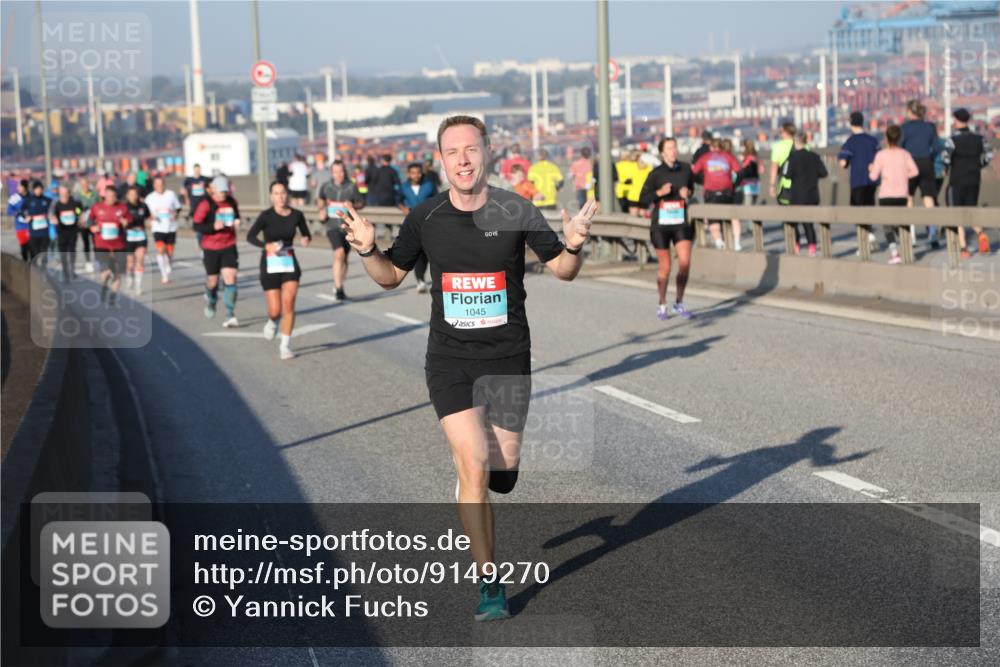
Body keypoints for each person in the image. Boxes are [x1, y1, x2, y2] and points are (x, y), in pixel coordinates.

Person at [338, 115, 595, 621]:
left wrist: (573, 243)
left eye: (471, 149)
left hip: (508, 359)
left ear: (487, 152)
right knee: (473, 464)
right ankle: (490, 584)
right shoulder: (426, 216)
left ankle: (478, 479)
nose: (462, 159)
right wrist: (367, 249)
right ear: (441, 160)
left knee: (502, 472)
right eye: (452, 151)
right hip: (450, 360)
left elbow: (563, 271)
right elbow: (390, 276)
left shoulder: (516, 209)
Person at [246, 181, 312, 360]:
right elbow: (250, 236)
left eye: (282, 193)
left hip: (289, 261)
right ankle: (272, 321)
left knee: (289, 304)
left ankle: (285, 346)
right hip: (270, 262)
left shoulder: (296, 215)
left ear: (287, 194)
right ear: (271, 196)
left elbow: (306, 234)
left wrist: (305, 239)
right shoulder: (266, 216)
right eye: (276, 193)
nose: (280, 197)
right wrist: (266, 245)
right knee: (275, 310)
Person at [639, 137, 696, 321]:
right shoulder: (656, 174)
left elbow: (692, 189)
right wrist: (660, 193)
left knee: (685, 263)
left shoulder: (686, 169)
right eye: (669, 148)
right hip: (661, 226)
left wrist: (687, 193)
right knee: (666, 267)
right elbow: (643, 198)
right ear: (662, 152)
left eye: (674, 147)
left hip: (680, 222)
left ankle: (679, 302)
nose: (673, 151)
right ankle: (662, 304)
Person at [942, 108, 994, 258]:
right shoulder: (979, 138)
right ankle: (981, 234)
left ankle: (963, 248)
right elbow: (989, 155)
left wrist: (946, 169)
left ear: (957, 120)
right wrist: (979, 165)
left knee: (957, 213)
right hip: (974, 179)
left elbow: (946, 158)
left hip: (957, 180)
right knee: (971, 210)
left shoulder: (952, 140)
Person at [192, 176, 241, 326]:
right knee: (213, 281)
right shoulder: (206, 204)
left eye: (225, 192)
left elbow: (236, 216)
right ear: (213, 190)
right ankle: (212, 300)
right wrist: (212, 227)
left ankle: (230, 314)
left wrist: (237, 221)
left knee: (230, 278)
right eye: (221, 192)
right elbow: (196, 225)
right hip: (211, 247)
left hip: (229, 245)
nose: (223, 194)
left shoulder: (232, 202)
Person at [869, 124, 919, 265]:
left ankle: (894, 253)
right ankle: (907, 249)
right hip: (902, 195)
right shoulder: (905, 154)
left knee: (888, 225)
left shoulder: (881, 155)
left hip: (886, 195)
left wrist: (871, 168)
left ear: (886, 138)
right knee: (901, 223)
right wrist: (904, 175)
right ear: (899, 138)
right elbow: (915, 171)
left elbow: (873, 177)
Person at [316, 160, 365, 301]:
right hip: (332, 226)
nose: (339, 174)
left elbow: (361, 203)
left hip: (348, 227)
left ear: (345, 172)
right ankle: (338, 288)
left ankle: (340, 285)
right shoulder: (326, 186)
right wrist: (321, 210)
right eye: (336, 172)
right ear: (332, 173)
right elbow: (320, 200)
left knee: (344, 258)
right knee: (339, 253)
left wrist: (352, 205)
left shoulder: (351, 186)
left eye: (341, 171)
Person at [838, 111, 881, 254]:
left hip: (857, 180)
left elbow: (843, 163)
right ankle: (870, 235)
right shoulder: (873, 140)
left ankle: (865, 242)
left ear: (851, 123)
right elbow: (879, 157)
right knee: (868, 208)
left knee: (857, 212)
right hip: (872, 180)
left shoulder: (850, 142)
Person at [783, 132, 828, 257]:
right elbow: (824, 173)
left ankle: (796, 245)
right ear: (806, 141)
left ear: (795, 142)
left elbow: (786, 174)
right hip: (812, 195)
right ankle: (812, 247)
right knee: (808, 224)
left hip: (796, 196)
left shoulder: (792, 158)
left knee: (793, 223)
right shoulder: (815, 156)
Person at [692, 138, 742, 249]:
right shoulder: (728, 156)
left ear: (711, 147)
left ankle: (718, 241)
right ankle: (737, 242)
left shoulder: (705, 157)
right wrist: (734, 185)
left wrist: (702, 180)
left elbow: (694, 172)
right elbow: (739, 172)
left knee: (713, 218)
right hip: (727, 192)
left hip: (711, 193)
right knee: (733, 216)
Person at [88, 185, 131, 305]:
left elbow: (129, 220)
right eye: (108, 196)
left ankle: (113, 296)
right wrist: (92, 227)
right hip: (101, 244)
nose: (111, 198)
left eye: (113, 196)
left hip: (119, 245)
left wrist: (126, 222)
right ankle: (104, 286)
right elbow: (89, 220)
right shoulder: (97, 207)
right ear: (104, 196)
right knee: (106, 271)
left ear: (116, 196)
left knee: (118, 273)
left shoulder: (122, 208)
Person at [399, 162, 438, 293]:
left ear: (422, 173)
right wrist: (403, 207)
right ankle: (420, 281)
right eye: (413, 173)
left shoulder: (429, 185)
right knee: (419, 253)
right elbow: (398, 199)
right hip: (413, 224)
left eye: (418, 172)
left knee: (431, 253)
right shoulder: (404, 187)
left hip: (430, 223)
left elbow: (438, 199)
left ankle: (437, 280)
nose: (416, 175)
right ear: (408, 174)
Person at [900, 100, 939, 213]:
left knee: (909, 195)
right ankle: (932, 222)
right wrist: (930, 158)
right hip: (926, 163)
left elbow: (900, 147)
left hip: (909, 164)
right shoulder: (930, 127)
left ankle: (908, 222)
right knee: (928, 195)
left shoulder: (904, 128)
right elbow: (937, 147)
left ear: (910, 111)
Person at [145, 176, 183, 284]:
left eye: (161, 184)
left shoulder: (171, 194)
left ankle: (168, 263)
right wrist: (150, 217)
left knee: (170, 252)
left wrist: (175, 214)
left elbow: (178, 208)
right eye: (157, 185)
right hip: (158, 228)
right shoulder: (150, 198)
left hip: (171, 227)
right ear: (154, 186)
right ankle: (164, 275)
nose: (160, 186)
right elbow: (145, 212)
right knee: (161, 250)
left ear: (164, 184)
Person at [123, 185, 151, 295]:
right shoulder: (124, 207)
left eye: (135, 194)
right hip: (128, 236)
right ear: (127, 196)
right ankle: (130, 276)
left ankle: (138, 286)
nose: (133, 197)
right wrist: (123, 223)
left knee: (140, 260)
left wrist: (150, 223)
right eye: (131, 195)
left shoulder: (143, 206)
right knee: (130, 263)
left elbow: (148, 217)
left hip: (141, 236)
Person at [52, 185, 83, 281]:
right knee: (63, 253)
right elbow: (52, 214)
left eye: (66, 193)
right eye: (62, 193)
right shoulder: (56, 204)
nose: (64, 195)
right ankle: (65, 272)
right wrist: (54, 218)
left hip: (72, 231)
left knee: (72, 251)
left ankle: (72, 270)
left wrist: (79, 216)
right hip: (61, 232)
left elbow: (79, 211)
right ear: (59, 194)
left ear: (69, 193)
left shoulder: (74, 203)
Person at [22, 181, 53, 262]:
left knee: (44, 252)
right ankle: (35, 267)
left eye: (40, 189)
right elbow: (21, 211)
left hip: (45, 232)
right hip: (33, 232)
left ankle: (44, 267)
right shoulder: (28, 200)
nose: (39, 191)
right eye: (37, 189)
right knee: (35, 253)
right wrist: (25, 216)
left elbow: (54, 209)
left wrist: (52, 216)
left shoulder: (47, 200)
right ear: (33, 190)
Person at [75, 176, 99, 273]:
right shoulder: (77, 196)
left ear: (88, 184)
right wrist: (80, 212)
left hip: (94, 223)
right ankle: (88, 262)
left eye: (86, 184)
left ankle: (97, 261)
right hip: (83, 224)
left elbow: (99, 205)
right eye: (82, 185)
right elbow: (75, 208)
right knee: (86, 244)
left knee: (96, 243)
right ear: (80, 185)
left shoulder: (95, 195)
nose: (84, 186)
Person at [8, 179, 30, 261]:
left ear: (25, 186)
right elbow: (9, 211)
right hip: (20, 226)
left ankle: (33, 264)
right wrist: (17, 213)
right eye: (18, 186)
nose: (18, 188)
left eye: (20, 186)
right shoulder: (14, 198)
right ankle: (25, 262)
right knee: (23, 247)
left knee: (32, 247)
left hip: (31, 226)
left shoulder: (31, 196)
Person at [625, 150, 652, 216]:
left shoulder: (632, 166)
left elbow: (626, 179)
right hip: (644, 195)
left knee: (633, 217)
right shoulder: (649, 167)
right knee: (642, 216)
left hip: (634, 195)